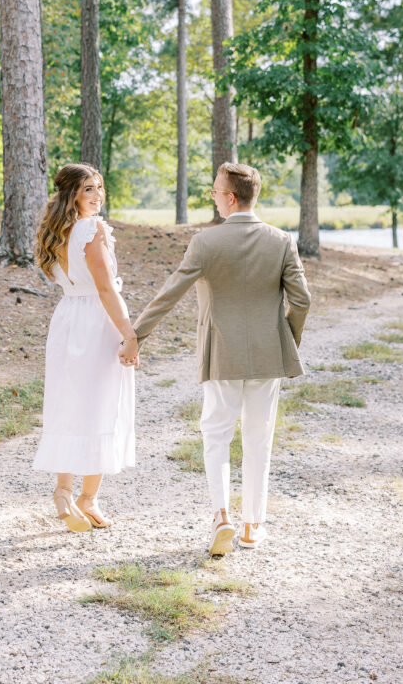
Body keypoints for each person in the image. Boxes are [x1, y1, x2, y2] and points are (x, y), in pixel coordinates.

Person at [119, 162, 311, 555]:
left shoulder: (206, 243)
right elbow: (302, 300)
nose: (212, 195)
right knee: (259, 440)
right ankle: (252, 526)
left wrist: (136, 336)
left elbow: (170, 293)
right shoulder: (281, 241)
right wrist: (285, 339)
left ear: (230, 197)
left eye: (214, 190)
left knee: (217, 436)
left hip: (221, 353)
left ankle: (221, 516)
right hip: (268, 354)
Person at [33, 163, 138, 533]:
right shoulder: (91, 229)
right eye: (88, 189)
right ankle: (86, 497)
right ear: (72, 195)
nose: (97, 196)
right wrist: (129, 333)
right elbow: (106, 288)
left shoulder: (56, 230)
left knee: (71, 402)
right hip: (96, 321)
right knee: (100, 405)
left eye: (99, 188)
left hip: (67, 319)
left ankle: (65, 492)